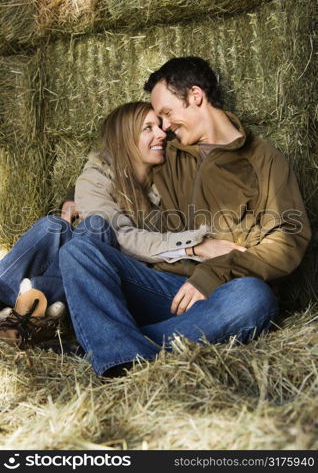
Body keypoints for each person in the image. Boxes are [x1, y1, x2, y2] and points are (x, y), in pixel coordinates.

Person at [58, 57, 311, 377]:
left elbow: (288, 240)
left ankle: (119, 347)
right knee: (80, 251)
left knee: (254, 298)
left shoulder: (263, 160)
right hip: (161, 286)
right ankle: (121, 344)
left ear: (195, 96)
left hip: (223, 293)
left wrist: (214, 274)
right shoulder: (167, 151)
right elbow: (113, 161)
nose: (162, 127)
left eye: (165, 114)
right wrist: (75, 196)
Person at [0, 101, 222, 348]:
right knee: (56, 227)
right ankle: (30, 304)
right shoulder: (98, 174)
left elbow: (213, 143)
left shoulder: (170, 175)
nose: (162, 133)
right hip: (100, 263)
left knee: (88, 228)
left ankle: (31, 300)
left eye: (160, 126)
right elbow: (122, 235)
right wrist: (195, 246)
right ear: (124, 139)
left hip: (118, 275)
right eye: (148, 128)